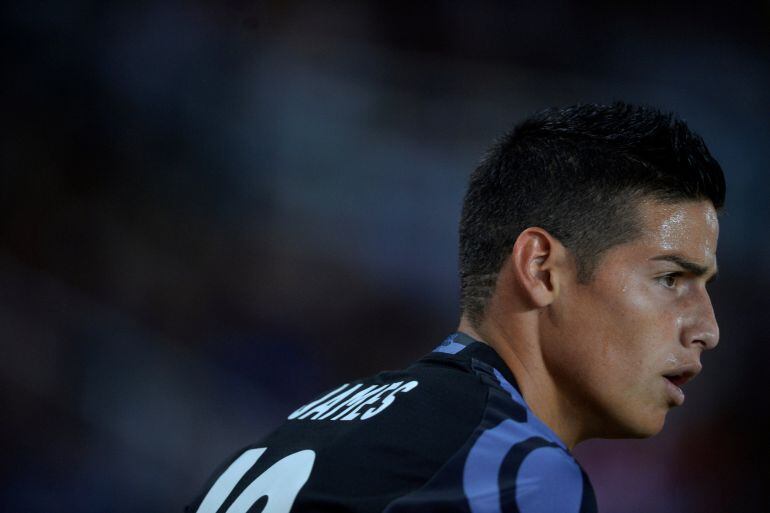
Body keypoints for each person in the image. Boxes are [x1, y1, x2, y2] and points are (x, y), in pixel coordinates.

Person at [185, 102, 725, 513]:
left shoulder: (308, 428)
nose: (708, 329)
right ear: (541, 270)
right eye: (670, 277)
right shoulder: (516, 471)